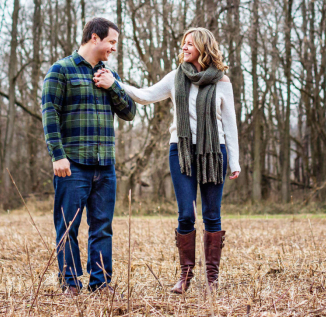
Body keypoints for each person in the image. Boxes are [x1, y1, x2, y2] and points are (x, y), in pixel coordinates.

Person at [97, 27, 239, 294]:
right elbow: (145, 95)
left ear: (203, 48)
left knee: (212, 215)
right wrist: (115, 84)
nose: (184, 48)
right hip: (181, 151)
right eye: (183, 44)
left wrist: (236, 161)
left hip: (214, 152)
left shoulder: (221, 82)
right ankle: (185, 276)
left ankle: (212, 279)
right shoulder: (176, 77)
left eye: (189, 44)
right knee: (186, 214)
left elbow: (229, 123)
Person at [41, 17, 136, 296]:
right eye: (111, 42)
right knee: (67, 227)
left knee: (102, 227)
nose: (114, 48)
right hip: (73, 166)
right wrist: (57, 156)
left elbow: (129, 113)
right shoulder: (61, 70)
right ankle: (70, 283)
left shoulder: (110, 75)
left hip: (105, 166)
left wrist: (113, 87)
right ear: (95, 37)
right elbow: (49, 116)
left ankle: (101, 283)